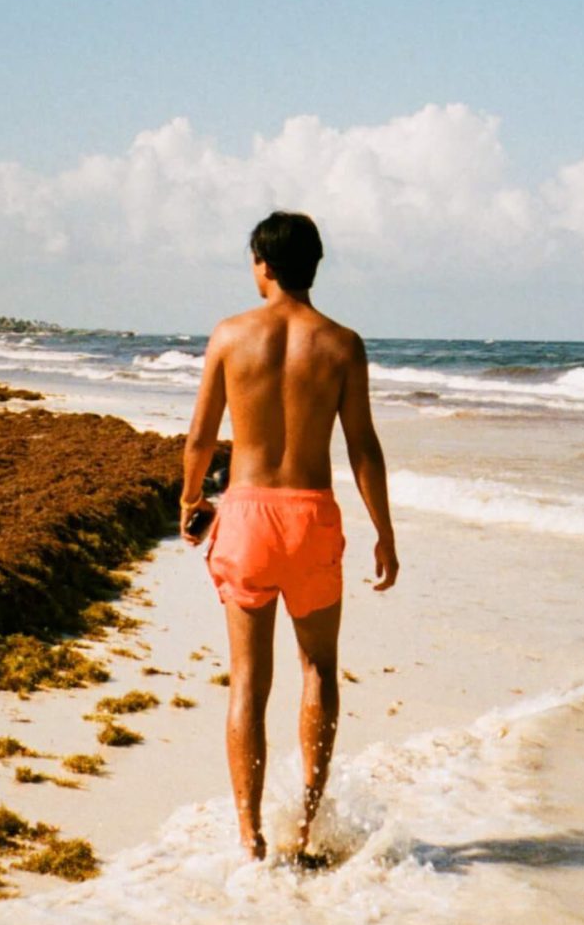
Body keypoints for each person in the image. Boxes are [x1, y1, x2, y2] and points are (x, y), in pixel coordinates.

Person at [179, 211, 400, 862]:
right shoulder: (340, 344)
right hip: (309, 518)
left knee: (248, 679)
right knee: (319, 668)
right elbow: (363, 447)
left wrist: (192, 500)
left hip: (244, 516)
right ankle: (303, 824)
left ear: (264, 266)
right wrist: (384, 532)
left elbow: (199, 437)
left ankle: (249, 835)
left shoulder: (229, 335)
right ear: (313, 265)